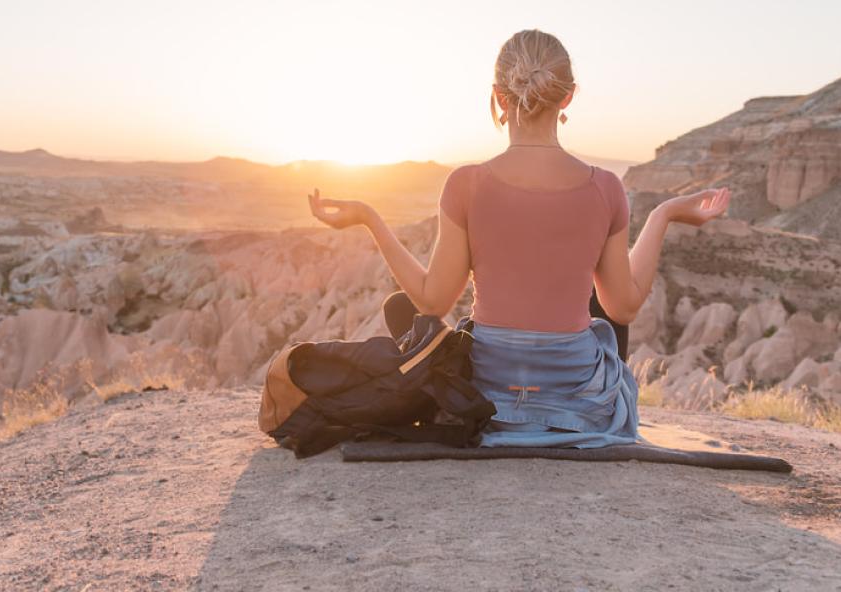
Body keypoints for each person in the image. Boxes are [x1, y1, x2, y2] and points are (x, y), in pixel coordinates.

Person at [307, 29, 730, 447]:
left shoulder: (465, 184)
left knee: (403, 307)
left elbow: (432, 302)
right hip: (578, 408)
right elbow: (622, 306)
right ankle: (558, 410)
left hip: (488, 403)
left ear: (499, 96)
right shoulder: (605, 188)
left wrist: (369, 219)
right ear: (567, 96)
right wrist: (665, 214)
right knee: (599, 309)